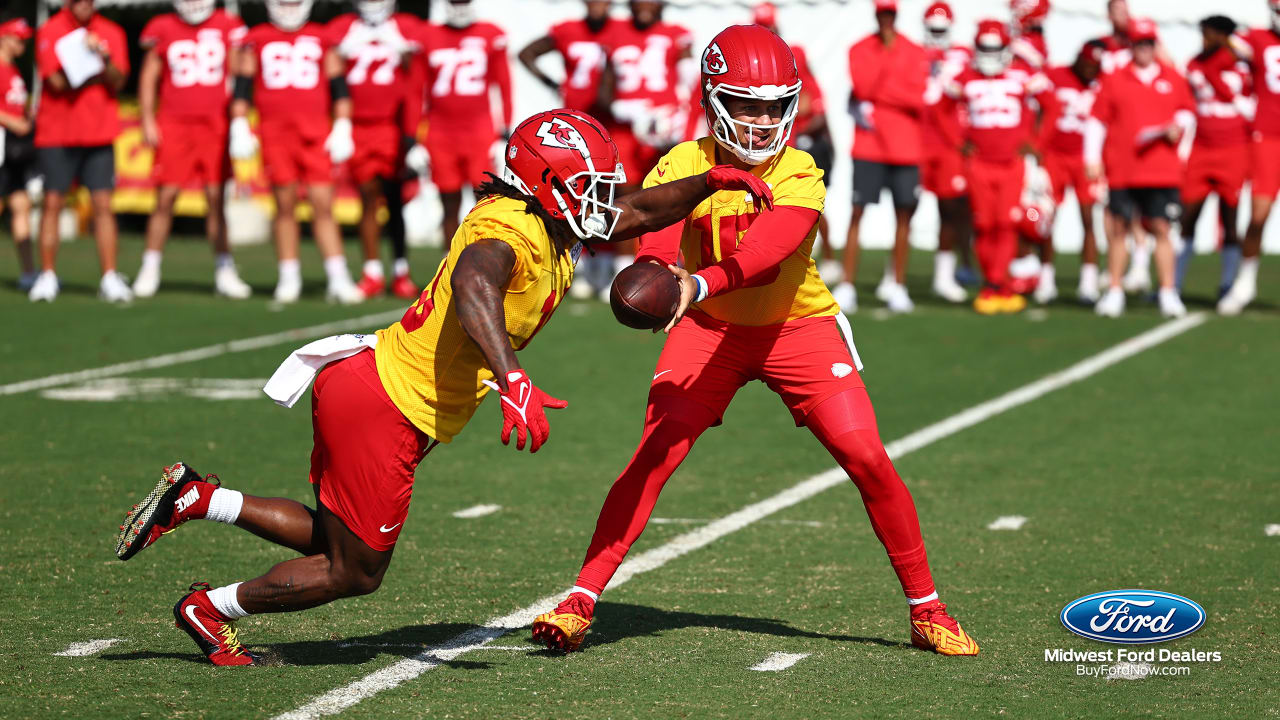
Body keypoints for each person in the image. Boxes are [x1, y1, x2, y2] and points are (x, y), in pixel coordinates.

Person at [113, 108, 769, 666]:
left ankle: (199, 497)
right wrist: (513, 377)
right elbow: (473, 285)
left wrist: (709, 181)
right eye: (586, 186)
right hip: (386, 404)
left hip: (383, 392)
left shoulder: (545, 216)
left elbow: (633, 210)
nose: (601, 199)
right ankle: (207, 607)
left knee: (336, 540)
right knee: (356, 571)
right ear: (544, 185)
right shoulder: (507, 229)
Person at [532, 26, 978, 657]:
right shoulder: (683, 164)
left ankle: (927, 608)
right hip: (711, 332)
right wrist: (655, 279)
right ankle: (581, 596)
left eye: (775, 105)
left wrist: (696, 285)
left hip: (797, 326)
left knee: (867, 456)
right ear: (714, 98)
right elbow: (654, 248)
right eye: (748, 103)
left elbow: (768, 255)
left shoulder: (799, 170)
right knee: (654, 455)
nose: (764, 119)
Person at [230, 0, 364, 304]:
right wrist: (239, 123)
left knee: (322, 204)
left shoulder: (321, 36)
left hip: (315, 135)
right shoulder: (258, 37)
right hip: (276, 135)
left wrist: (343, 125)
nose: (289, 8)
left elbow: (339, 86)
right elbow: (242, 85)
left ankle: (337, 276)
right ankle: (289, 275)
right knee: (284, 205)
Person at [132, 0, 252, 300]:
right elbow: (149, 74)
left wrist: (240, 119)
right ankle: (150, 266)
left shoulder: (227, 23)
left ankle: (224, 269)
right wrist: (147, 116)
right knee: (166, 196)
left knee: (215, 198)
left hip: (215, 123)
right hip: (174, 122)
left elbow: (244, 69)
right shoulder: (163, 26)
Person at [583, 0, 694, 300]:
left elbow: (691, 83)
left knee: (675, 194)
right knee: (625, 198)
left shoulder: (676, 34)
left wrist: (676, 116)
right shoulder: (614, 32)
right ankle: (623, 271)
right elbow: (602, 90)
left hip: (666, 125)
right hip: (626, 131)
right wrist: (625, 108)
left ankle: (673, 263)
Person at [1086, 18, 1194, 318]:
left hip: (1160, 168)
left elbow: (1187, 113)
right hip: (1123, 167)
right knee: (1118, 228)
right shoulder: (1115, 78)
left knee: (1161, 227)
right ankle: (1115, 290)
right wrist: (1092, 157)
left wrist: (1177, 131)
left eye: (1148, 43)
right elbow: (1097, 119)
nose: (1144, 49)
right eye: (1138, 44)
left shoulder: (1173, 78)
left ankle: (1168, 291)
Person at [943, 20, 1051, 314]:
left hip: (1011, 163)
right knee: (983, 224)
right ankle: (996, 284)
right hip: (979, 163)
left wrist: (1036, 142)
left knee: (1007, 222)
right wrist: (958, 141)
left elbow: (1050, 104)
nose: (989, 54)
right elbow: (942, 109)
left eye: (995, 48)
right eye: (985, 48)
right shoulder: (965, 76)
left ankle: (994, 284)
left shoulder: (1022, 75)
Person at [28, 0, 130, 303]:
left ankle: (110, 277)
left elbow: (119, 78)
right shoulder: (50, 30)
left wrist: (102, 58)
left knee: (103, 204)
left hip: (99, 132)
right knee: (53, 203)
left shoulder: (111, 31)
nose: (85, 4)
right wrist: (85, 57)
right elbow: (57, 81)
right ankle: (47, 276)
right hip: (57, 132)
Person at [833, 0, 928, 314]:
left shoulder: (915, 51)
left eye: (890, 13)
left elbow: (918, 97)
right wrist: (890, 87)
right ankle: (847, 284)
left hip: (905, 148)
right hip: (870, 147)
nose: (886, 19)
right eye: (881, 14)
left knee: (904, 216)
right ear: (876, 15)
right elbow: (862, 87)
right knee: (857, 211)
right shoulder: (859, 48)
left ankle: (897, 285)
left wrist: (883, 94)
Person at [329, 0, 425, 299]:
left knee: (395, 201)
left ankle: (400, 270)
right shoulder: (342, 28)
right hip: (358, 125)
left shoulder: (406, 27)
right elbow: (329, 68)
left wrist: (411, 133)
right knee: (367, 198)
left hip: (391, 125)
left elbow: (416, 78)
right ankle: (372, 271)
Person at [751, 1, 841, 286]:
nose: (765, 32)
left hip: (791, 144)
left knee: (808, 203)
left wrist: (809, 124)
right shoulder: (749, 61)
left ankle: (827, 257)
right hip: (761, 144)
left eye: (768, 27)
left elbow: (811, 97)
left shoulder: (793, 55)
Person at [418, 0, 512, 251]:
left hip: (478, 129)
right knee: (448, 201)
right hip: (440, 130)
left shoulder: (490, 33)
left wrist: (505, 129)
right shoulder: (428, 35)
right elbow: (417, 91)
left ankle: (486, 261)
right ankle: (449, 265)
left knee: (484, 200)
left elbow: (504, 84)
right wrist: (415, 138)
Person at [1178, 15, 1251, 299]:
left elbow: (1245, 104)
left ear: (1224, 36)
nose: (1204, 40)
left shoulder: (1241, 65)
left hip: (1233, 149)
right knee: (1187, 216)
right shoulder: (1195, 63)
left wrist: (1216, 73)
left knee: (1230, 218)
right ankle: (1174, 283)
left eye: (1209, 34)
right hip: (1201, 148)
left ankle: (1228, 284)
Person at [1220, 0, 1280, 315]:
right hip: (1268, 137)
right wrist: (1240, 100)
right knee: (1258, 215)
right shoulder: (1254, 38)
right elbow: (1219, 55)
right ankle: (1245, 281)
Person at [1038, 40, 1105, 303]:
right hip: (1053, 157)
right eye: (1088, 64)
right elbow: (1037, 110)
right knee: (1042, 216)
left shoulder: (1102, 83)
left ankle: (1088, 282)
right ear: (1079, 58)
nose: (1091, 70)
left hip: (1085, 160)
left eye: (1095, 66)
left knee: (1089, 218)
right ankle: (1044, 278)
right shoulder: (1054, 76)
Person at [919, 1, 971, 303]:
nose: (937, 35)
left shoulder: (962, 55)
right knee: (905, 208)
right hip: (918, 141)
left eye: (942, 30)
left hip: (949, 142)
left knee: (951, 209)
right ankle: (893, 275)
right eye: (933, 29)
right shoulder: (914, 53)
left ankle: (945, 273)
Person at [517, 0, 616, 120]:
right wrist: (551, 84)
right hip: (575, 108)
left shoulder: (622, 29)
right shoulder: (568, 30)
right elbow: (526, 54)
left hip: (612, 110)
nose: (596, 5)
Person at [0, 18, 35, 292]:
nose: (22, 43)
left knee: (21, 205)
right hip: (1, 143)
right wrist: (15, 122)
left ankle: (28, 272)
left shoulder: (12, 70)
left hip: (15, 148)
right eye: (17, 38)